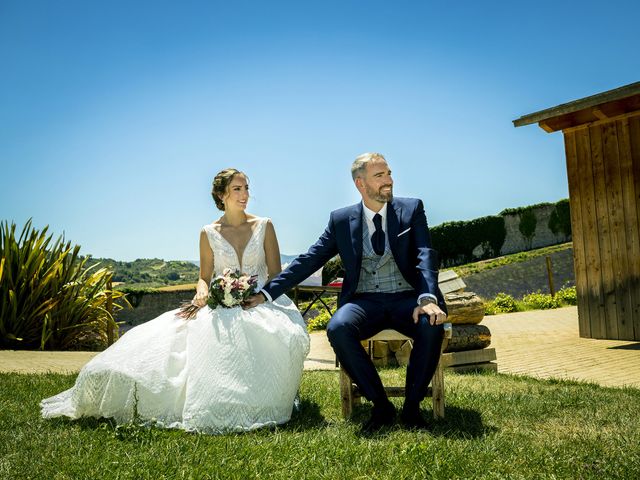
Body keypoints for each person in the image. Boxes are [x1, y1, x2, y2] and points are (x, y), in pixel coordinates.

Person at [41, 168, 310, 433]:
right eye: (237, 189)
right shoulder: (208, 232)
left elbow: (276, 274)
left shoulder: (265, 226)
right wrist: (203, 292)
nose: (245, 195)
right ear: (221, 195)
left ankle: (259, 401)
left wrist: (260, 297)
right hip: (221, 302)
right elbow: (204, 276)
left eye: (246, 188)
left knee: (273, 333)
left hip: (260, 300)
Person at [245, 153, 447, 431]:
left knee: (431, 324)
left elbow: (425, 254)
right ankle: (381, 406)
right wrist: (266, 293)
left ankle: (412, 409)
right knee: (337, 327)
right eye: (380, 176)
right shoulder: (341, 220)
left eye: (388, 173)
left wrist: (427, 298)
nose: (388, 180)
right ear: (360, 184)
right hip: (364, 301)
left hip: (408, 297)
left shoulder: (411, 209)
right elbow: (310, 259)